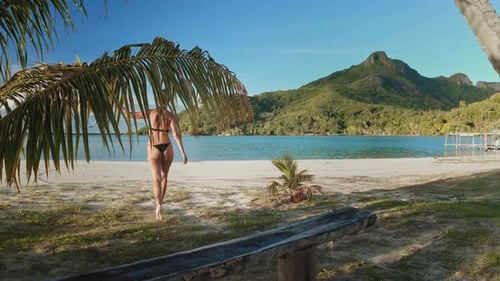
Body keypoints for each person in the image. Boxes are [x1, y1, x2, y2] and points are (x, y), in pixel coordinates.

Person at [126, 106, 188, 221]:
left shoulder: (151, 112)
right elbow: (176, 135)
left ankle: (157, 205)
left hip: (153, 145)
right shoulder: (170, 114)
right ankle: (160, 204)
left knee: (156, 178)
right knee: (164, 177)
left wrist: (121, 107)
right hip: (167, 146)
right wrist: (183, 153)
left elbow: (131, 115)